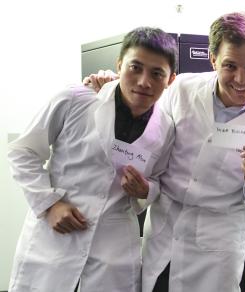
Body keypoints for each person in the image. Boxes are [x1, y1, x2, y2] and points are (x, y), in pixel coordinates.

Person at [85, 12, 245, 292]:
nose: (241, 78)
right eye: (229, 65)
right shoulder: (183, 89)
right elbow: (146, 131)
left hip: (217, 245)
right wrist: (110, 89)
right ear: (212, 60)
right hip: (166, 231)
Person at [7, 27, 178, 292]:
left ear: (170, 80)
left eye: (157, 73)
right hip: (53, 241)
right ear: (119, 65)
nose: (144, 81)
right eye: (135, 67)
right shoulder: (75, 100)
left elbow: (157, 182)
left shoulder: (165, 127)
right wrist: (49, 204)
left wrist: (145, 190)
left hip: (113, 252)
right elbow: (22, 152)